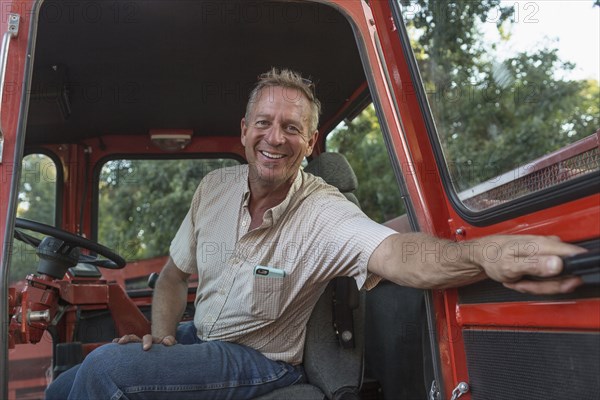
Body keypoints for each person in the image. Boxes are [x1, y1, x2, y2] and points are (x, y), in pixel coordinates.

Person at [45, 68, 585, 399]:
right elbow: (169, 277)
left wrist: (487, 253)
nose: (274, 138)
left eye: (291, 128)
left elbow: (402, 255)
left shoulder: (323, 214)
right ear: (244, 130)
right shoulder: (213, 188)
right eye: (264, 123)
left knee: (111, 373)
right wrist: (161, 340)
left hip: (261, 362)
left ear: (310, 142)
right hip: (200, 337)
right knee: (82, 370)